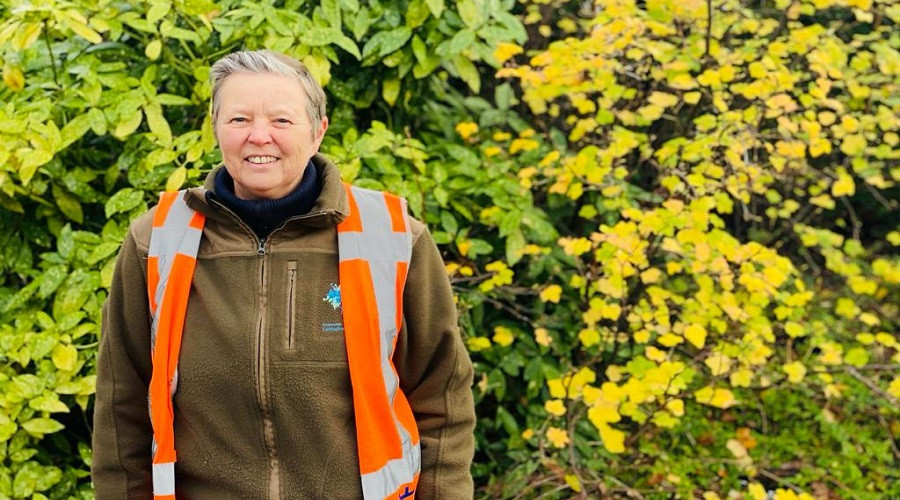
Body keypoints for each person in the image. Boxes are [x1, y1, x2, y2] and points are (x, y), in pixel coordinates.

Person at [92, 49, 476, 499]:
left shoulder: (393, 236)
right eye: (238, 120)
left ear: (318, 132)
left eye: (281, 121)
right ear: (216, 128)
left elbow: (442, 397)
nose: (259, 137)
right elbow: (123, 405)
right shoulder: (155, 240)